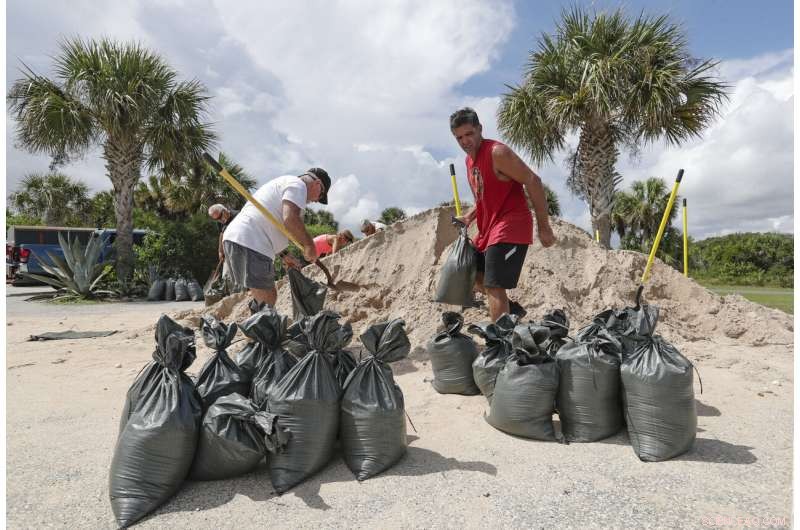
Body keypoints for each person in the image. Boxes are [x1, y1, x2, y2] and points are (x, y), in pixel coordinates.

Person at [449, 107, 556, 322]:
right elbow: (484, 198)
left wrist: (544, 227)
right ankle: (510, 314)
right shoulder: (469, 162)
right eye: (459, 137)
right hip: (489, 228)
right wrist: (469, 217)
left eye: (469, 134)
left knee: (493, 284)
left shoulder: (497, 153)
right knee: (473, 275)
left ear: (480, 129)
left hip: (511, 226)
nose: (465, 141)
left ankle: (501, 346)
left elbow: (533, 181)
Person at [222, 168, 332, 306]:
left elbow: (271, 222)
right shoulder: (298, 185)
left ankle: (259, 326)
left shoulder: (284, 184)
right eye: (320, 196)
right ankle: (263, 326)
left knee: (263, 300)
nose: (316, 201)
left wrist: (285, 255)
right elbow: (291, 219)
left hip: (240, 239)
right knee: (267, 299)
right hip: (250, 241)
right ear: (317, 184)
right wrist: (309, 245)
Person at [208, 204, 239, 283]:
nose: (219, 220)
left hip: (240, 249)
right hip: (228, 252)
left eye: (219, 217)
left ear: (224, 210)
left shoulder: (238, 216)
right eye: (216, 219)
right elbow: (222, 234)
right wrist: (220, 251)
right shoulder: (220, 222)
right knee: (227, 276)